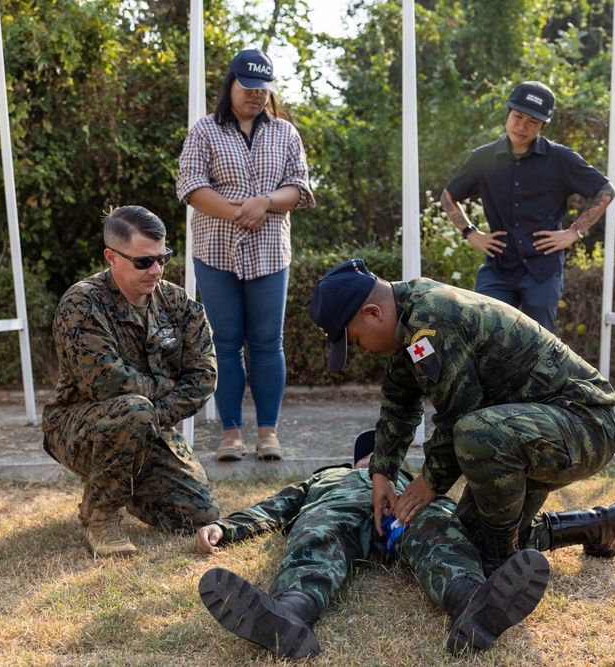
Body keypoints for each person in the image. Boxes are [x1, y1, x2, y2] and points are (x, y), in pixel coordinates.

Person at [308, 259, 615, 578]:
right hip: (533, 434)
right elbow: (399, 403)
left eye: (355, 340)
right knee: (465, 540)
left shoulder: (431, 320)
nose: (362, 350)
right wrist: (382, 473)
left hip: (584, 425)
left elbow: (460, 415)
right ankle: (599, 526)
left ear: (372, 313)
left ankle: (501, 566)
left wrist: (430, 483)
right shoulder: (408, 325)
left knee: (474, 433)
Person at [194, 431, 553, 659]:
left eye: (387, 457)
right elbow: (276, 506)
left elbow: (463, 519)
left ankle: (471, 602)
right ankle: (290, 612)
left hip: (404, 509)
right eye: (372, 456)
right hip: (340, 511)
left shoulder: (416, 481)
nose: (377, 462)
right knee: (316, 536)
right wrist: (225, 527)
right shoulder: (327, 476)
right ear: (359, 459)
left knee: (439, 532)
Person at [42, 205, 221, 557]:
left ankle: (113, 480)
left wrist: (156, 411)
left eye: (162, 258)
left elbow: (204, 375)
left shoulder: (177, 302)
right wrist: (165, 390)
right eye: (143, 261)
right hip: (79, 426)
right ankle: (102, 517)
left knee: (201, 514)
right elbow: (107, 384)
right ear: (112, 257)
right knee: (134, 411)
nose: (156, 270)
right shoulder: (81, 304)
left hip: (149, 424)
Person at [177, 48, 315, 462]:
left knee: (268, 342)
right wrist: (242, 210)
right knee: (225, 342)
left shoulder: (286, 133)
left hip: (270, 253)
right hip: (215, 251)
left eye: (262, 90)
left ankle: (268, 433)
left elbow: (300, 188)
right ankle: (231, 432)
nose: (255, 95)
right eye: (247, 87)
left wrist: (267, 202)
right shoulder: (204, 130)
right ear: (231, 84)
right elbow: (191, 186)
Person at [440, 81, 615, 333]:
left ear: (543, 125)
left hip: (542, 270)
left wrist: (574, 232)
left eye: (532, 121)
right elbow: (448, 196)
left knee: (540, 344)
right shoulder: (483, 158)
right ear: (508, 114)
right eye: (517, 116)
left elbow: (605, 190)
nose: (522, 126)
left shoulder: (560, 158)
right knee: (486, 336)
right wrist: (471, 233)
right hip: (498, 267)